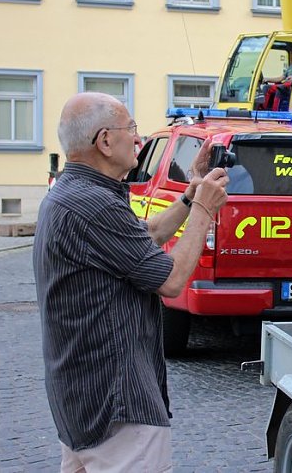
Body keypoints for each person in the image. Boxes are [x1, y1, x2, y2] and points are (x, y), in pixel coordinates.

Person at [33, 92, 229, 471]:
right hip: (115, 400)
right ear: (105, 141)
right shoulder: (95, 204)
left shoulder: (71, 193)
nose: (138, 139)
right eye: (132, 129)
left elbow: (149, 234)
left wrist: (190, 194)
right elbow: (171, 281)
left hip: (80, 393)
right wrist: (206, 208)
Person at [260, 46, 292, 111]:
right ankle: (262, 109)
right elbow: (281, 78)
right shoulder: (291, 67)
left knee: (280, 89)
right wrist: (267, 79)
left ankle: (275, 111)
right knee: (266, 87)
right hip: (284, 86)